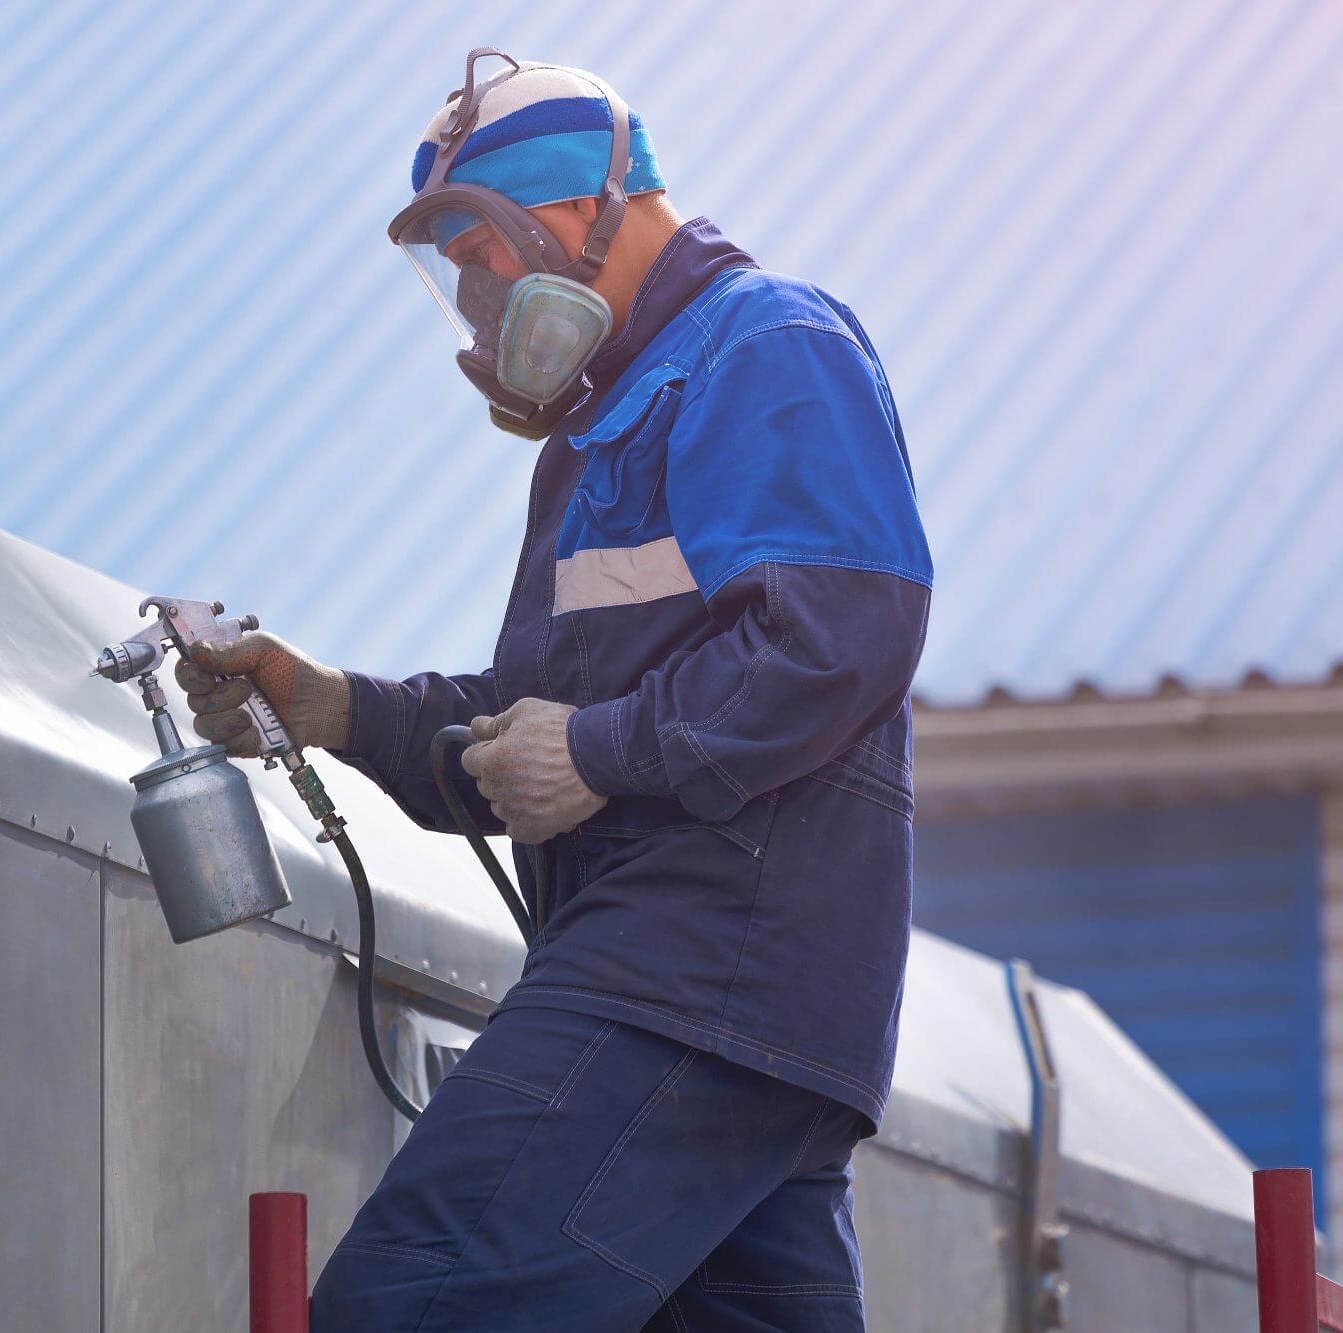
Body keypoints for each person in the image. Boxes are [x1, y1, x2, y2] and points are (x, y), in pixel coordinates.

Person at [177, 50, 932, 1331]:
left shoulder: (766, 346)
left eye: (479, 253)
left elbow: (839, 635)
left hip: (693, 973)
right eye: (454, 274)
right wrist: (332, 707)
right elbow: (534, 723)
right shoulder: (599, 437)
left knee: (411, 1299)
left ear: (581, 209)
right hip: (745, 1018)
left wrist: (601, 752)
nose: (472, 303)